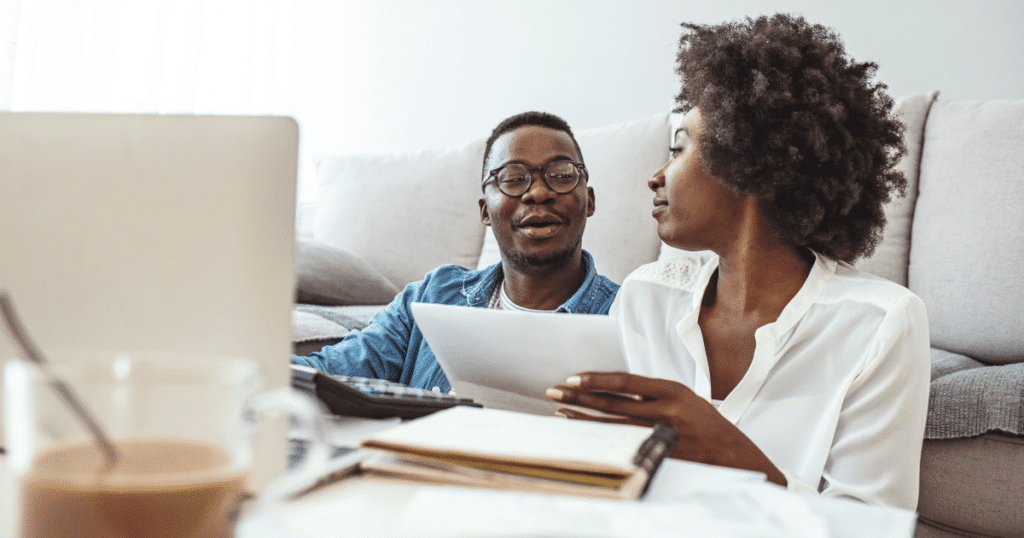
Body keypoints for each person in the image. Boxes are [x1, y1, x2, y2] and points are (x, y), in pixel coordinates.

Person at [546, 14, 930, 510]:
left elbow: (872, 526)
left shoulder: (880, 323)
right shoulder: (646, 296)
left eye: (678, 149)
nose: (656, 176)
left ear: (747, 160)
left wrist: (729, 451)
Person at [294, 111, 619, 392]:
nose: (537, 192)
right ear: (485, 212)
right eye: (512, 178)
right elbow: (329, 371)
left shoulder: (627, 313)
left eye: (561, 175)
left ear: (588, 200)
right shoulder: (430, 296)